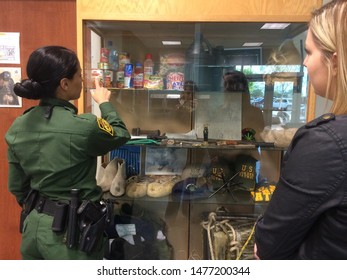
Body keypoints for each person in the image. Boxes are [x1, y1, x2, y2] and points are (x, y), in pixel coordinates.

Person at [5, 45, 131, 259]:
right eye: (79, 76)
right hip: (69, 237)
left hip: (33, 228)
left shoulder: (19, 125)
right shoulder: (84, 127)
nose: (82, 81)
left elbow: (17, 187)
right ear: (64, 84)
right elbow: (121, 133)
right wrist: (104, 103)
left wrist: (43, 206)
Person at [254, 0, 347, 259]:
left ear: (335, 61)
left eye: (308, 52)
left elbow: (268, 247)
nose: (305, 64)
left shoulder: (327, 143)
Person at [223, 71, 265, 141]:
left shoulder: (255, 113)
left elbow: (258, 139)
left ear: (243, 89)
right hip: (222, 151)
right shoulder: (219, 112)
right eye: (225, 85)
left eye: (232, 84)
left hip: (247, 151)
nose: (226, 88)